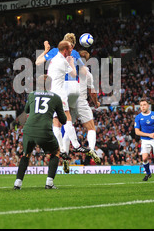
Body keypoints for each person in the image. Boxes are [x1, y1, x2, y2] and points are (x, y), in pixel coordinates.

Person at [14, 75, 67, 190]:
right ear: (50, 85)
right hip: (44, 130)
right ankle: (49, 183)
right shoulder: (56, 98)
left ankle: (17, 183)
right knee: (56, 152)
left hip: (28, 129)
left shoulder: (32, 94)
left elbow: (27, 110)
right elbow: (63, 120)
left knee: (26, 155)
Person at [46, 40, 90, 173]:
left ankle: (63, 150)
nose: (72, 51)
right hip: (60, 93)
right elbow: (74, 74)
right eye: (70, 49)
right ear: (65, 50)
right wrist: (71, 61)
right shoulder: (63, 61)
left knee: (56, 123)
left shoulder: (54, 59)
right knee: (67, 118)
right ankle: (76, 145)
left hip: (51, 94)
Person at [67, 50, 101, 164]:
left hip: (68, 99)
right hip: (80, 100)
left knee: (68, 126)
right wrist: (96, 103)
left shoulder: (68, 68)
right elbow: (92, 92)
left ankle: (65, 154)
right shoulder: (86, 72)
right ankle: (91, 149)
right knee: (91, 127)